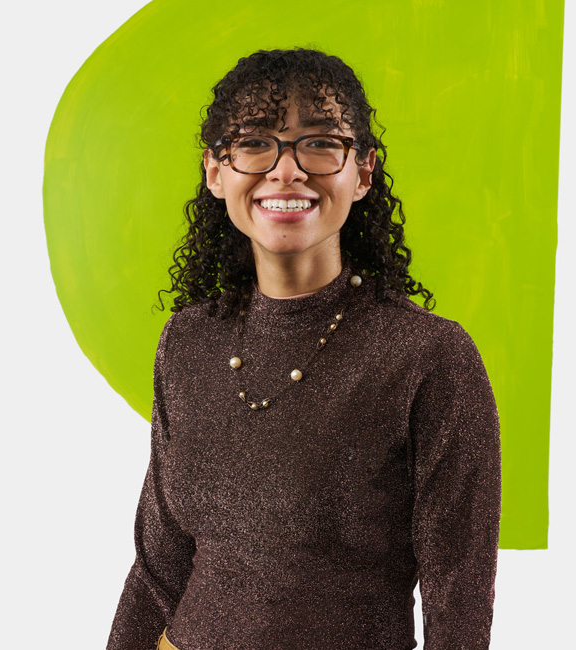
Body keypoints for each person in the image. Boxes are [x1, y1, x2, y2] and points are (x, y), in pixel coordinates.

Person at [106, 48, 501, 650]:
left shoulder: (428, 355)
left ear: (362, 173)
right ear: (216, 171)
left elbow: (459, 604)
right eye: (254, 143)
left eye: (320, 144)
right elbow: (159, 568)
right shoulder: (187, 342)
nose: (286, 171)